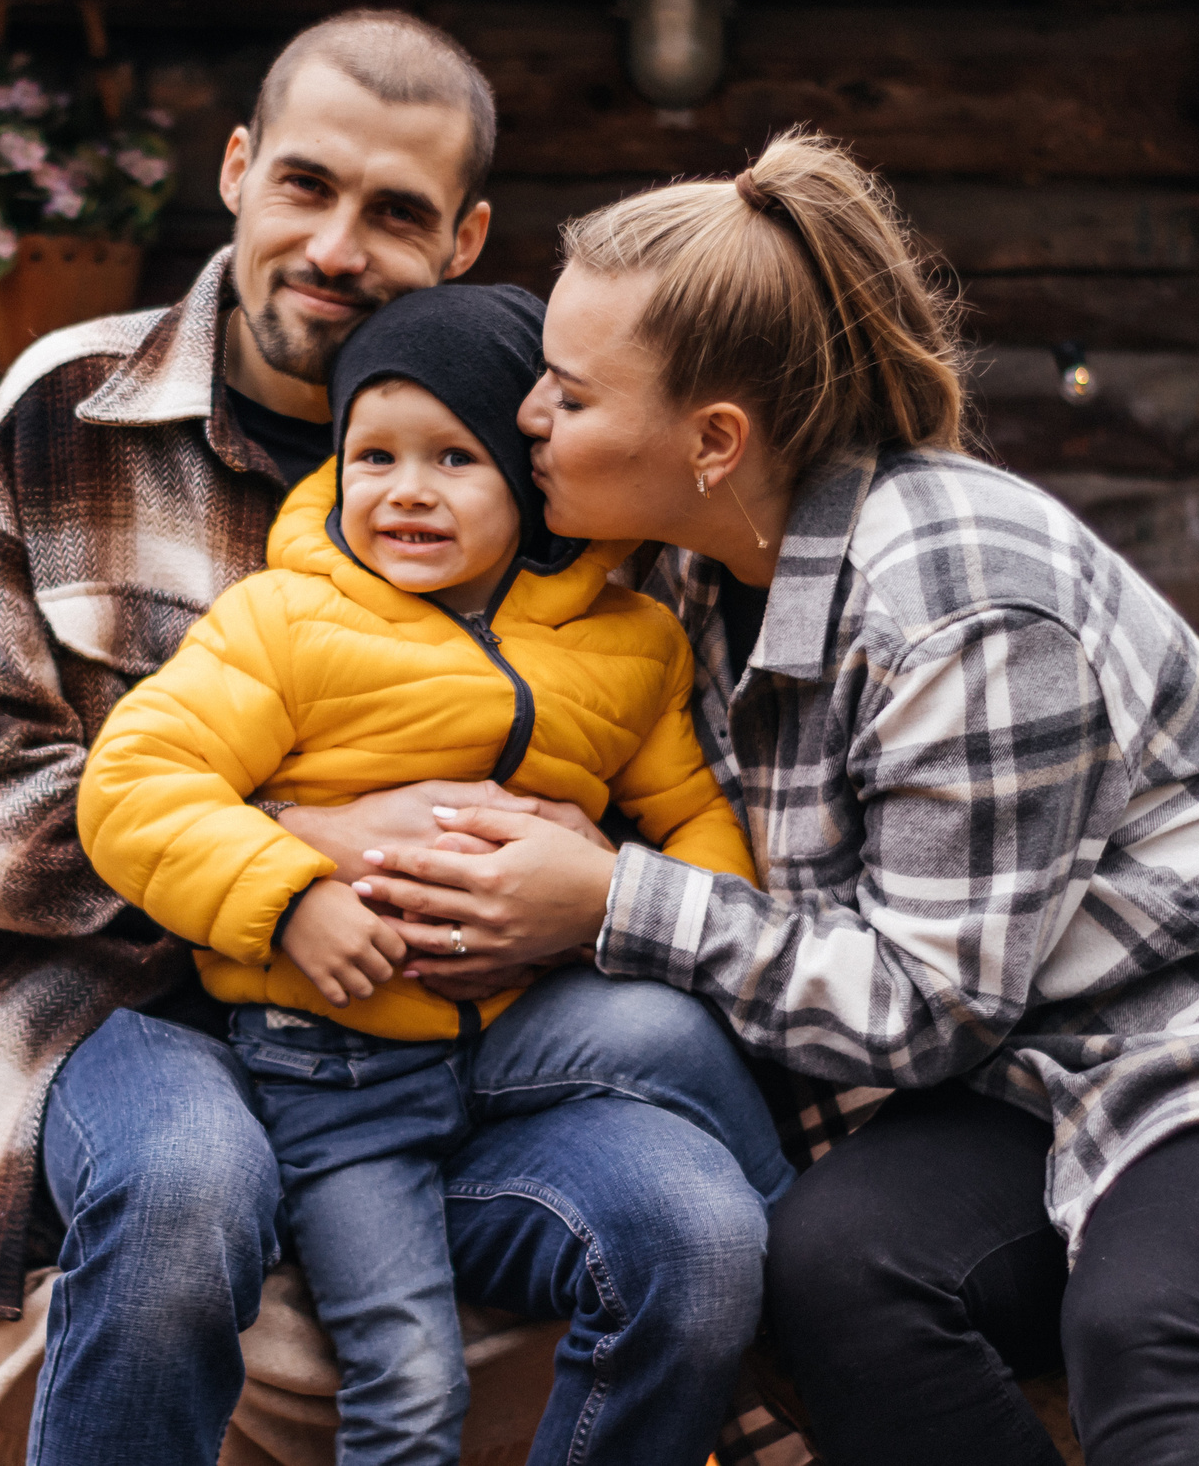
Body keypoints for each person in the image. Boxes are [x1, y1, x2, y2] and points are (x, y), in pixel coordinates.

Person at [346, 126, 1199, 1466]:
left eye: (569, 393)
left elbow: (930, 1001)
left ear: (714, 441)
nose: (529, 417)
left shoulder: (958, 598)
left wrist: (614, 901)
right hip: (1038, 1074)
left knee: (1148, 1326)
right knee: (830, 1268)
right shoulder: (690, 581)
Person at [0, 11, 775, 1466]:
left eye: (397, 213)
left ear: (466, 237)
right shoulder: (67, 414)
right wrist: (298, 858)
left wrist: (567, 872)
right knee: (185, 1189)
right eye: (306, 185)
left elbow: (653, 765)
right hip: (130, 1019)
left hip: (459, 1035)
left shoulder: (569, 470)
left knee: (695, 1227)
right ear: (238, 169)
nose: (336, 246)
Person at [78, 283, 791, 1466]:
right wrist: (290, 894)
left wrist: (610, 892)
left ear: (529, 475)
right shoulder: (284, 622)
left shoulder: (630, 644)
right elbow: (134, 786)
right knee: (409, 1385)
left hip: (517, 1037)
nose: (406, 490)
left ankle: (800, 1280)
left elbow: (697, 822)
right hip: (340, 1070)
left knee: (676, 1040)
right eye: (374, 457)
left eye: (454, 458)